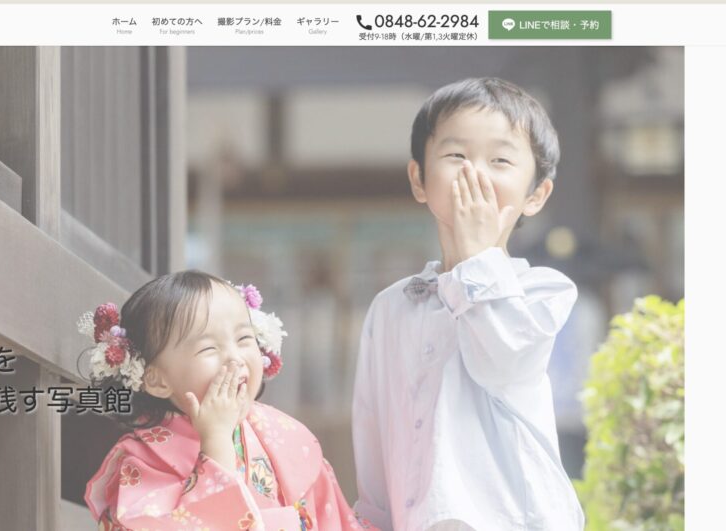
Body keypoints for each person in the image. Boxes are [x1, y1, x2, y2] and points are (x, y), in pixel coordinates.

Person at [351, 78, 584, 530]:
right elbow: (373, 428)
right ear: (419, 179)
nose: (474, 173)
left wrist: (478, 257)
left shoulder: (542, 290)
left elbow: (502, 363)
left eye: (499, 160)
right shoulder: (390, 307)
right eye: (456, 156)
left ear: (536, 195)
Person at [83, 270, 377, 530]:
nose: (235, 357)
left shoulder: (286, 437)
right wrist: (216, 442)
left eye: (244, 339)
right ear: (157, 379)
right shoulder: (143, 460)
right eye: (209, 348)